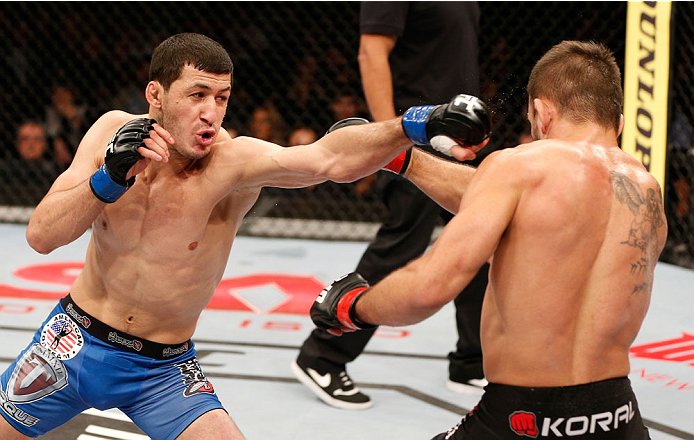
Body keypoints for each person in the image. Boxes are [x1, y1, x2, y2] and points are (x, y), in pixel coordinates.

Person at [0, 32, 489, 440]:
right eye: (197, 95)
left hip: (160, 370)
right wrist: (107, 178)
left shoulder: (232, 164)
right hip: (67, 345)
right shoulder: (111, 130)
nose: (211, 112)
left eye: (222, 98)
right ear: (155, 95)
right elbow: (43, 235)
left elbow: (327, 158)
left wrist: (413, 124)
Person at [310, 41, 663, 439]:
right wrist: (404, 160)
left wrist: (351, 307)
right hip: (619, 418)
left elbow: (427, 289)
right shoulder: (648, 192)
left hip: (522, 420)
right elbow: (521, 205)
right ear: (617, 121)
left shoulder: (516, 167)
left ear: (541, 112)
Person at [292, 1, 488, 411]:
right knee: (402, 245)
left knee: (482, 236)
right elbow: (371, 52)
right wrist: (387, 141)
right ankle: (323, 356)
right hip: (415, 134)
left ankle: (471, 361)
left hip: (454, 132)